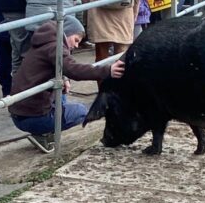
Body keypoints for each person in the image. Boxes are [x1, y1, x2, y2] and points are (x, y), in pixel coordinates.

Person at [9, 15, 124, 150]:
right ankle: (42, 133)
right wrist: (107, 71)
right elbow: (73, 69)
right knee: (81, 111)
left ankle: (43, 130)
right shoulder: (55, 46)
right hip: (32, 116)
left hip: (20, 113)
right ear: (67, 32)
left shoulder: (43, 42)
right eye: (76, 40)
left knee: (62, 94)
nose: (76, 45)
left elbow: (56, 68)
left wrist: (63, 79)